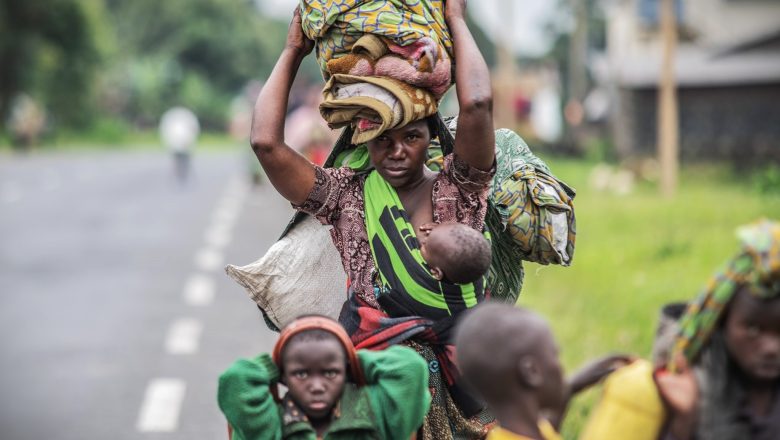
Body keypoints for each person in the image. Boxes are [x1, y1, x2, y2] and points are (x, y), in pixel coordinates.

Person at [249, 1, 495, 437]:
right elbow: (266, 145)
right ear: (362, 138)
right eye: (381, 140)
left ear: (431, 136)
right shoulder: (345, 196)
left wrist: (456, 18)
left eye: (411, 137)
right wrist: (292, 51)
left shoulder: (459, 189)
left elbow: (476, 103)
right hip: (377, 389)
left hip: (468, 391)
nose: (397, 151)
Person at [654, 219, 780, 440]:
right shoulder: (692, 384)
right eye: (752, 329)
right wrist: (684, 420)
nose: (771, 348)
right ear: (722, 322)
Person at [218, 315, 430, 440]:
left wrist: (354, 362)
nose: (317, 386)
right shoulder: (272, 424)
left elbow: (410, 369)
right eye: (301, 373)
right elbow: (236, 380)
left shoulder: (373, 411)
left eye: (330, 372)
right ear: (284, 376)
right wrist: (274, 365)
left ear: (345, 370)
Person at [455, 302, 632, 440]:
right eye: (555, 355)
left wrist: (570, 388)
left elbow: (547, 427)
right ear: (532, 372)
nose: (561, 366)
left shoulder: (524, 431)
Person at [159, 106, 200, 184]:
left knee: (184, 160)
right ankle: (178, 172)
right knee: (177, 159)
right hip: (176, 143)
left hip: (185, 143)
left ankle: (182, 172)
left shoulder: (184, 118)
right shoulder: (174, 119)